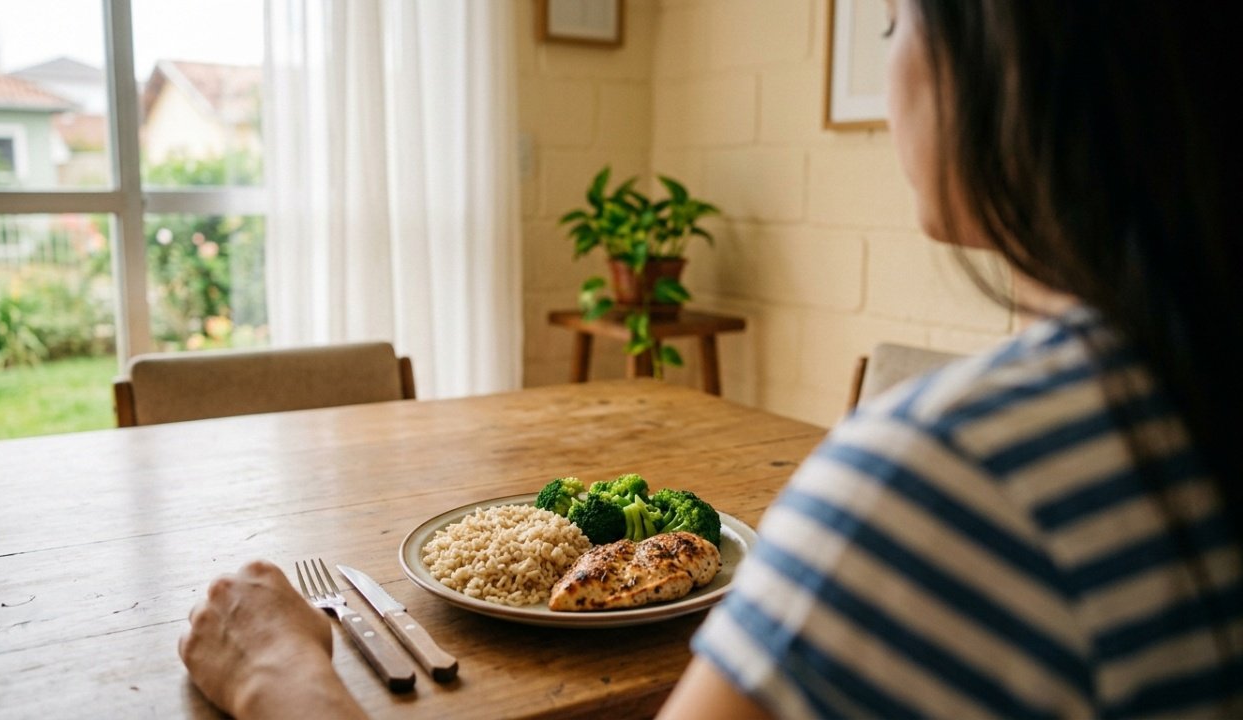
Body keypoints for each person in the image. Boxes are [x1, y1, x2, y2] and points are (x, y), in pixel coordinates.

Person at [180, 0, 1242, 717]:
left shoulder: (943, 484)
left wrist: (285, 679)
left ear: (1019, 58)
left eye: (892, 15)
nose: (891, 51)